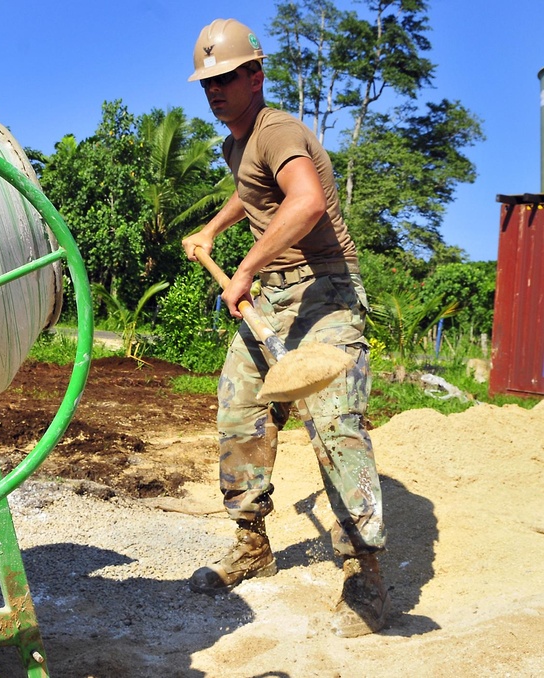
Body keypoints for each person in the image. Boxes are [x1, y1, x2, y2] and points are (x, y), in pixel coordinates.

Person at [180, 18, 388, 638]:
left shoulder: (279, 130)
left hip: (326, 287)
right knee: (239, 407)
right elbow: (254, 193)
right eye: (206, 82)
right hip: (273, 292)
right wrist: (215, 231)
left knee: (332, 423)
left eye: (225, 78)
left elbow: (304, 202)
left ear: (255, 75)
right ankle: (252, 543)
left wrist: (242, 266)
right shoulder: (238, 144)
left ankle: (367, 574)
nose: (214, 90)